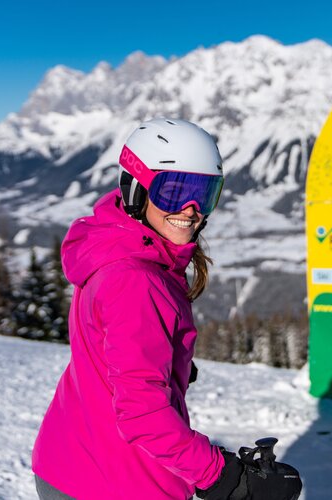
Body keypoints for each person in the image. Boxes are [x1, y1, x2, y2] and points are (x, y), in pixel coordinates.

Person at [31, 118, 301, 500]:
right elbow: (143, 413)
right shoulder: (136, 280)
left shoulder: (113, 245)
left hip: (72, 458)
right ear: (136, 189)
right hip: (116, 483)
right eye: (174, 192)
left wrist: (166, 359)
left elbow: (108, 349)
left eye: (204, 194)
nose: (191, 210)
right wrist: (225, 477)